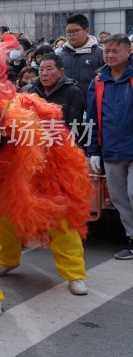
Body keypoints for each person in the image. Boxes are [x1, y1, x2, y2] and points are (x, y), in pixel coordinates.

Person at [0, 53, 88, 295]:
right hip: (22, 165)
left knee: (62, 220)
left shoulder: (72, 92)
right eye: (42, 69)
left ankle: (74, 274)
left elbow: (73, 129)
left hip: (56, 164)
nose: (44, 73)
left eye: (49, 69)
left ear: (60, 71)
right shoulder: (26, 91)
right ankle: (6, 259)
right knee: (6, 215)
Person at [87, 34, 133, 259]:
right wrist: (94, 151)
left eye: (115, 50)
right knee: (119, 197)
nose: (110, 55)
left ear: (128, 51)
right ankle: (132, 239)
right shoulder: (98, 82)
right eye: (107, 51)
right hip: (111, 150)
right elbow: (93, 119)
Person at [59, 13, 105, 99]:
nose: (71, 35)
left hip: (91, 104)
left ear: (87, 30)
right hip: (67, 104)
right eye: (68, 32)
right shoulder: (61, 54)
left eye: (75, 31)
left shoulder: (100, 53)